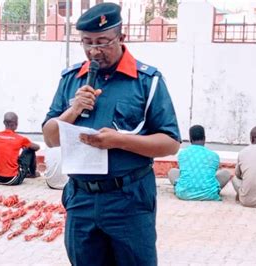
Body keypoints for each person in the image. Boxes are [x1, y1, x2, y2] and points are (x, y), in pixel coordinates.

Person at [42, 3, 181, 265]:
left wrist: (119, 141)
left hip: (128, 199)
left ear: (121, 37)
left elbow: (170, 143)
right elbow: (50, 137)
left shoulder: (146, 81)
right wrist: (73, 109)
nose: (94, 51)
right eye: (87, 42)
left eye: (103, 42)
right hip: (81, 199)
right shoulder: (72, 79)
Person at [168, 125, 231, 201]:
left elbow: (182, 171)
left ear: (190, 139)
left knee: (172, 172)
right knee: (226, 173)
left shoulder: (182, 154)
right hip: (208, 194)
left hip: (184, 194)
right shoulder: (214, 156)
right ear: (204, 138)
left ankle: (184, 189)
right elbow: (213, 173)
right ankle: (209, 190)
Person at [0, 112, 40, 186]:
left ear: (4, 122)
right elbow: (37, 147)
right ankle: (32, 173)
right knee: (30, 150)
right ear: (16, 124)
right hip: (12, 179)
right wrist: (26, 146)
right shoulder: (20, 139)